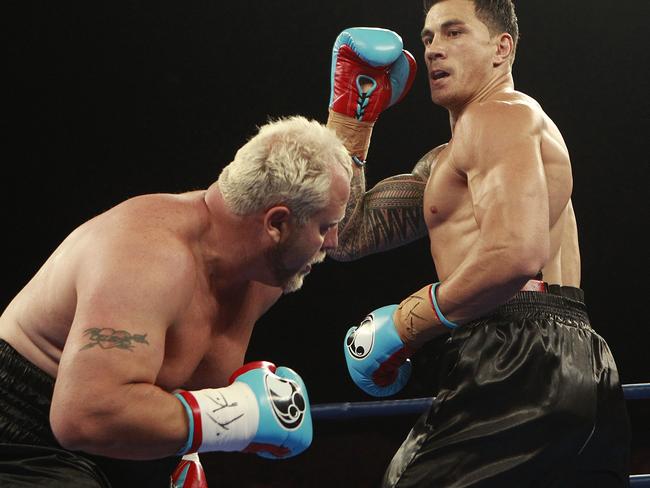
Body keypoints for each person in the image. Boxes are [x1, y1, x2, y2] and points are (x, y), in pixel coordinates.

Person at [326, 1, 631, 486]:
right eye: (427, 39)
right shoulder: (447, 160)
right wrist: (351, 118)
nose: (434, 50)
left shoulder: (501, 115)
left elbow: (515, 255)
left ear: (501, 48)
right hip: (572, 360)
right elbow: (342, 233)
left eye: (453, 33)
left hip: (518, 354)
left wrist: (406, 325)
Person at [0, 115, 352, 487]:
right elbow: (84, 415)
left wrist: (183, 452)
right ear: (276, 223)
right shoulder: (148, 258)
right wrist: (233, 416)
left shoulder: (262, 270)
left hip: (122, 452)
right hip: (22, 437)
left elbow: (160, 379)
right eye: (324, 228)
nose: (332, 243)